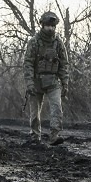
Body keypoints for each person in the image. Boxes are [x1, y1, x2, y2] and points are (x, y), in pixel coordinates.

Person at [23, 11, 69, 145]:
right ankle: (35, 135)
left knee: (56, 108)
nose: (50, 28)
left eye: (53, 26)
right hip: (36, 81)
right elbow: (28, 63)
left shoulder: (58, 43)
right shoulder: (34, 42)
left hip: (53, 81)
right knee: (35, 112)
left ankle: (54, 135)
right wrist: (29, 82)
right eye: (48, 25)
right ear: (42, 25)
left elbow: (63, 64)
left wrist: (65, 82)